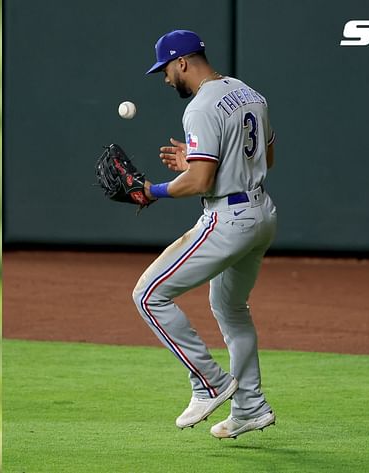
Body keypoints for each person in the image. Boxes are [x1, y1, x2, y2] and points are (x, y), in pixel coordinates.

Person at [130, 30, 277, 439]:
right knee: (231, 309)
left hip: (228, 220)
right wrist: (197, 164)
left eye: (165, 70)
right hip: (262, 213)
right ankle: (249, 406)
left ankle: (208, 382)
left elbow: (198, 182)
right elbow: (267, 157)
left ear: (182, 63)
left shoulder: (200, 107)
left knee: (148, 294)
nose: (164, 79)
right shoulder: (249, 93)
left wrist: (154, 190)